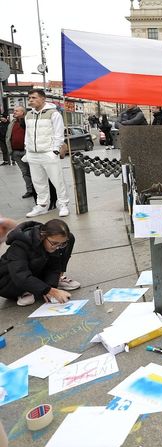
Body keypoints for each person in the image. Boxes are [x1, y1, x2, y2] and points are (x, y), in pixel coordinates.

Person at [0, 219, 80, 307]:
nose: (57, 247)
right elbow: (19, 274)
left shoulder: (52, 243)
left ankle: (42, 285)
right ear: (43, 235)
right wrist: (49, 291)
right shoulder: (20, 244)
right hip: (8, 282)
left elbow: (54, 267)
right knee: (27, 269)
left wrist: (50, 286)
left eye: (61, 244)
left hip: (33, 272)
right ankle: (24, 291)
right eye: (54, 243)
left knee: (69, 238)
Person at [23, 89, 70, 218]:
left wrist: (55, 151)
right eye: (29, 98)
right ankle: (42, 206)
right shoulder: (28, 115)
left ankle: (63, 204)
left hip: (48, 152)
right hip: (33, 154)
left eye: (33, 97)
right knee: (38, 182)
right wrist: (27, 150)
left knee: (57, 180)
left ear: (43, 99)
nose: (31, 100)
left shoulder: (53, 114)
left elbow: (59, 134)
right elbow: (27, 135)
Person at [5, 106, 35, 199]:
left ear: (23, 112)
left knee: (34, 172)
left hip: (27, 152)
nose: (14, 112)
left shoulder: (28, 122)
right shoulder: (12, 123)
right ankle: (29, 190)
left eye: (16, 111)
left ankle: (37, 190)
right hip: (16, 152)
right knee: (25, 172)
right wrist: (11, 151)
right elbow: (8, 137)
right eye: (14, 110)